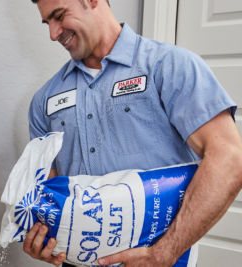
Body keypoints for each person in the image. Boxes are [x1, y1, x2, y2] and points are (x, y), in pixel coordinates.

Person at [24, 0, 242, 266]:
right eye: (48, 23)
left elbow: (230, 160)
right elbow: (47, 193)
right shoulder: (44, 100)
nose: (53, 34)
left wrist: (163, 253)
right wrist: (44, 237)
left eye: (59, 17)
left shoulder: (169, 66)